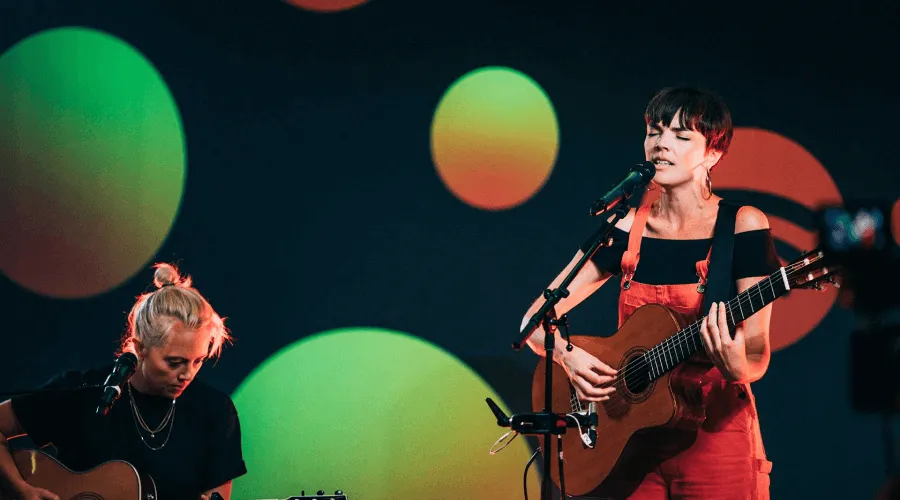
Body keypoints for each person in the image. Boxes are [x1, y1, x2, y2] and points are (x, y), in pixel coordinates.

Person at [522, 87, 780, 499]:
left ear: (713, 153)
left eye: (681, 135)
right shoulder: (626, 228)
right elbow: (534, 322)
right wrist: (570, 359)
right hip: (633, 446)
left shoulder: (742, 225)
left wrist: (736, 366)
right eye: (654, 131)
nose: (661, 144)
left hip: (715, 436)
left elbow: (756, 353)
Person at [0, 263, 247, 500]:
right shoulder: (84, 391)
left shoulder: (214, 411)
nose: (188, 374)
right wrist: (21, 489)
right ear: (140, 348)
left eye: (198, 361)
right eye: (174, 362)